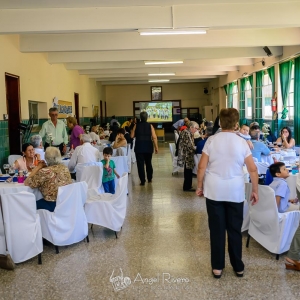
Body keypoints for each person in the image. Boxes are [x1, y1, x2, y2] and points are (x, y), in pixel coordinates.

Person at [196, 108, 258, 279]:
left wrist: (199, 185)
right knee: (234, 230)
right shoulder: (242, 143)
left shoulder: (211, 141)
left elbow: (201, 166)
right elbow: (253, 169)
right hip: (235, 191)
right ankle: (238, 266)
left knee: (216, 230)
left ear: (220, 123)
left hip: (214, 190)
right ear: (237, 123)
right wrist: (255, 190)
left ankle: (217, 267)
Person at [24, 147, 72, 212]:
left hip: (52, 205)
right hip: (66, 203)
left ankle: (36, 221)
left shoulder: (45, 171)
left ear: (46, 157)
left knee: (28, 204)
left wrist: (38, 167)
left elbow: (27, 182)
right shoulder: (65, 168)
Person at [131, 111, 158, 186]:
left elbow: (132, 136)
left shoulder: (136, 125)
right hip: (148, 147)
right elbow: (154, 137)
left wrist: (134, 129)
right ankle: (149, 178)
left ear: (140, 118)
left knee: (140, 164)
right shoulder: (150, 126)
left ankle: (142, 181)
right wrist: (156, 147)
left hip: (139, 147)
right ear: (147, 118)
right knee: (148, 163)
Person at [177, 121, 199, 191]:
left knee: (189, 171)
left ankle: (188, 185)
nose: (196, 130)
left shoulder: (188, 132)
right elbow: (189, 146)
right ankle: (187, 187)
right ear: (191, 127)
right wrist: (196, 149)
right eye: (196, 128)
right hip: (187, 155)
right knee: (188, 171)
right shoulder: (187, 133)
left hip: (187, 154)